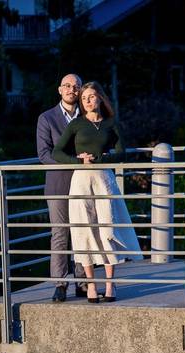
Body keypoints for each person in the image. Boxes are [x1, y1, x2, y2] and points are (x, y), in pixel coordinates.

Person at [52, 81, 142, 303]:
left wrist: (101, 160)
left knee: (107, 229)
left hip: (104, 180)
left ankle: (110, 286)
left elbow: (122, 154)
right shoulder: (76, 125)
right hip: (81, 181)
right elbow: (56, 152)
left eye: (91, 97)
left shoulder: (111, 123)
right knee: (84, 230)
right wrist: (77, 161)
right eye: (84, 99)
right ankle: (91, 287)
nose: (88, 101)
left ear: (100, 98)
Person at [37, 73, 88, 303]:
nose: (71, 90)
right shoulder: (46, 118)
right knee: (60, 235)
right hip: (58, 184)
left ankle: (83, 282)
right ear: (59, 90)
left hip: (84, 183)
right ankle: (60, 284)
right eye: (67, 86)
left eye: (75, 86)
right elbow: (44, 155)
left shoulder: (88, 116)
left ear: (80, 91)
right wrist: (75, 161)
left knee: (82, 233)